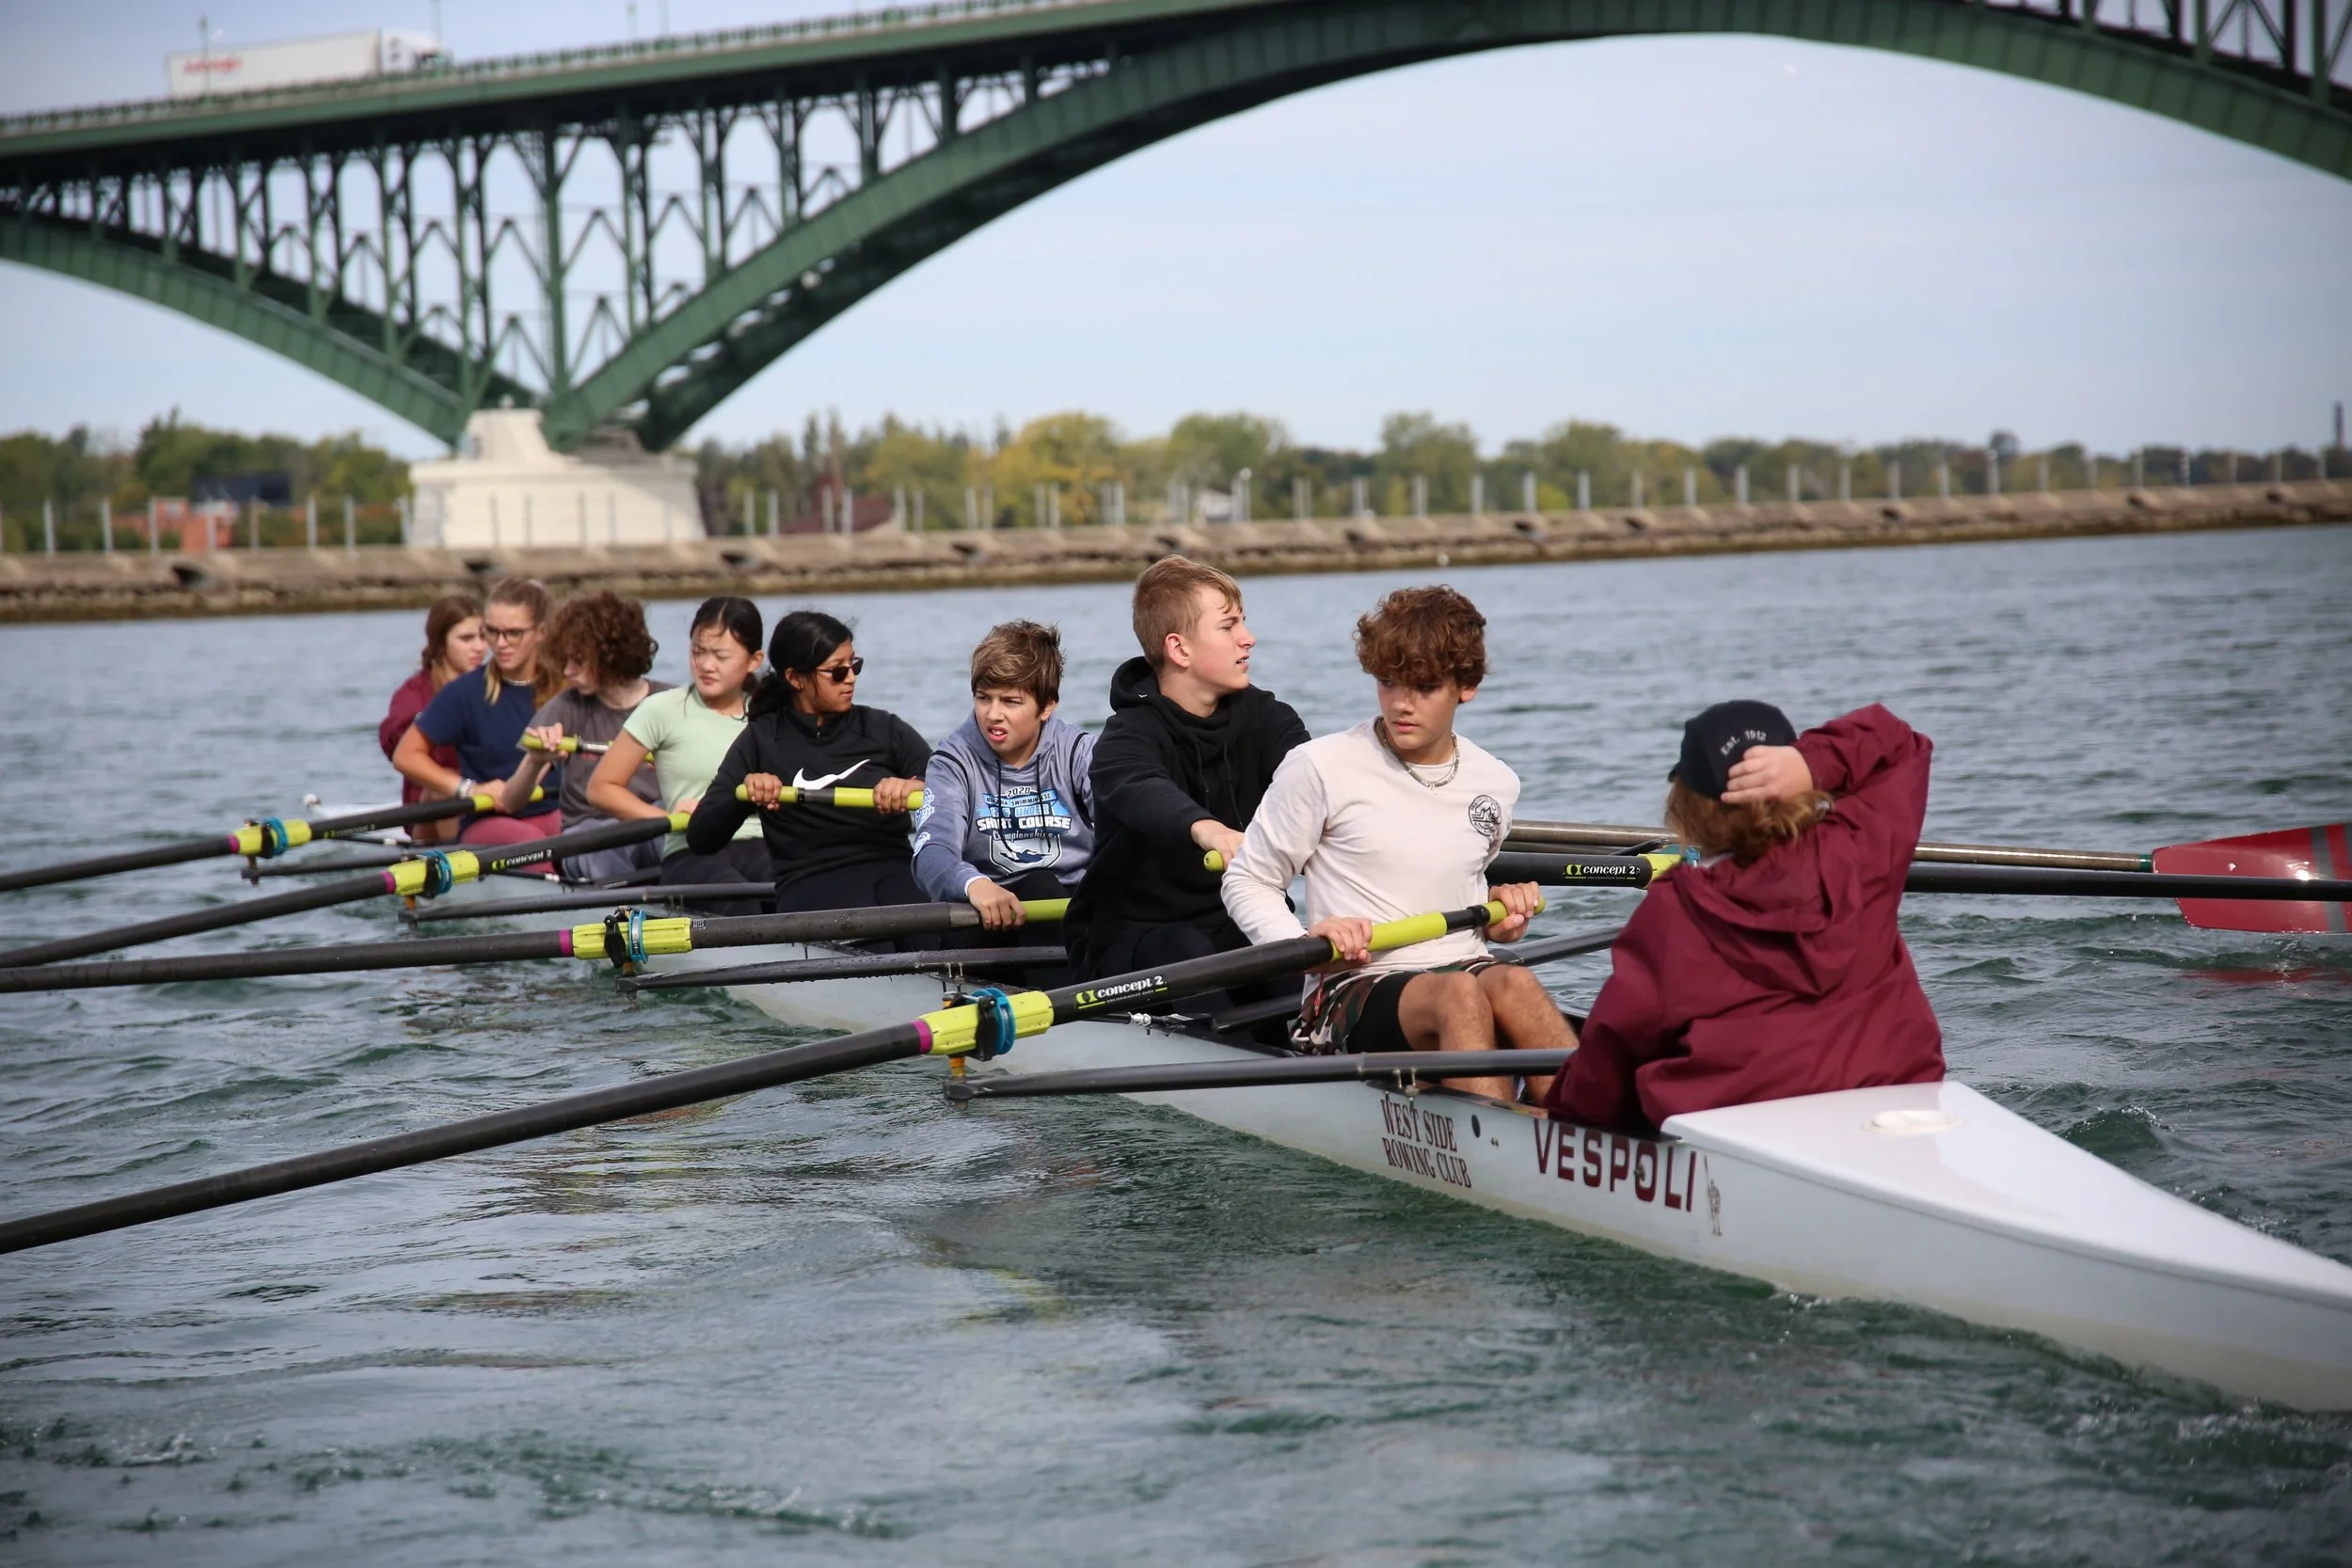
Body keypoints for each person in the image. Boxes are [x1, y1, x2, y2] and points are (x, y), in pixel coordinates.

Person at [1220, 586, 1565, 1101]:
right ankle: (1499, 1149)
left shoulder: (1496, 781)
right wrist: (1302, 946)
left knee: (1515, 982)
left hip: (1464, 966)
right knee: (1460, 998)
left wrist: (1500, 917)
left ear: (1465, 686)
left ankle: (1589, 1124)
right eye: (1387, 682)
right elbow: (1247, 879)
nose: (1401, 704)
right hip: (1350, 989)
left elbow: (1458, 881)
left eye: (1424, 687)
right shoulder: (1321, 767)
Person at [1546, 702, 1944, 1132]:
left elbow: (1613, 1053)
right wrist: (1812, 762)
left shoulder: (1676, 912)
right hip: (1903, 1104)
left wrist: (1565, 1116)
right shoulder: (1860, 852)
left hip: (1746, 1131)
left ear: (1689, 804)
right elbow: (1900, 744)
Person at [1064, 556, 1308, 1005]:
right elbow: (1140, 786)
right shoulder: (1126, 737)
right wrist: (1207, 830)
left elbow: (1317, 784)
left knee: (1300, 974)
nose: (1248, 639)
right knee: (1191, 957)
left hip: (1241, 918)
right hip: (1133, 940)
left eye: (1244, 623)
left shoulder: (1270, 719)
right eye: (1228, 626)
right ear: (1179, 650)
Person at [687, 610, 931, 914]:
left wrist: (916, 786)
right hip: (811, 883)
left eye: (855, 665)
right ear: (795, 678)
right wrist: (744, 795)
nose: (851, 678)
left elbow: (953, 792)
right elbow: (700, 838)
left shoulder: (885, 729)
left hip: (896, 870)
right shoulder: (761, 741)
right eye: (837, 671)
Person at [912, 621, 1094, 947]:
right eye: (984, 698)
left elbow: (1125, 830)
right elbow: (931, 851)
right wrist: (974, 884)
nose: (993, 715)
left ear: (1047, 705)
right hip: (987, 915)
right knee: (1039, 885)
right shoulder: (953, 761)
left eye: (1010, 701)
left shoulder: (1078, 753)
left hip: (1073, 907)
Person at [589, 596, 771, 914]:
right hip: (691, 851)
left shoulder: (770, 714)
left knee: (796, 887)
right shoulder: (663, 709)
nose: (706, 665)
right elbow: (602, 788)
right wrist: (668, 819)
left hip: (762, 846)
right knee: (742, 903)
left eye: (720, 655)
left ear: (754, 660)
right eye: (698, 652)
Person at [498, 591, 672, 883]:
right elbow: (512, 801)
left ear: (610, 654)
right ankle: (622, 912)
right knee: (603, 845)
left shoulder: (669, 702)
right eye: (566, 661)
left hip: (653, 820)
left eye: (578, 661)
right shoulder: (567, 707)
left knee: (676, 832)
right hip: (588, 829)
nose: (567, 671)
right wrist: (536, 760)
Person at [391, 578, 564, 846]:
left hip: (553, 810)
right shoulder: (465, 692)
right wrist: (469, 789)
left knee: (579, 831)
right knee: (531, 840)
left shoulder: (566, 687)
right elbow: (406, 755)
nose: (500, 644)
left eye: (514, 633)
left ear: (541, 632)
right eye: (491, 632)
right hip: (488, 819)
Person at [377, 594, 485, 845]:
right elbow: (393, 741)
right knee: (444, 784)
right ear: (440, 643)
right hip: (431, 814)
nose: (479, 647)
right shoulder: (414, 692)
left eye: (483, 636)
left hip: (486, 801)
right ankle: (464, 868)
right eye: (467, 638)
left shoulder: (493, 687)